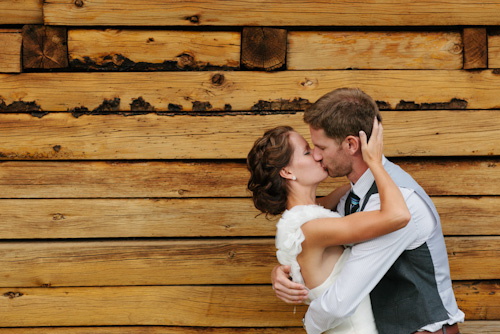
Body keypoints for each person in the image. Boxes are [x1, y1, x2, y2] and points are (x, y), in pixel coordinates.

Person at [271, 88, 465, 334]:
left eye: (320, 147)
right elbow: (310, 229)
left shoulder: (398, 203)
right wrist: (286, 271)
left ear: (351, 144)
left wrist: (311, 325)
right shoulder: (351, 196)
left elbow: (339, 302)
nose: (317, 156)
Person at [247, 119, 411, 333]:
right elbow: (398, 215)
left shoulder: (301, 217)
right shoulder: (311, 227)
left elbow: (352, 189)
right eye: (307, 152)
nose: (317, 155)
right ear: (287, 172)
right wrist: (375, 163)